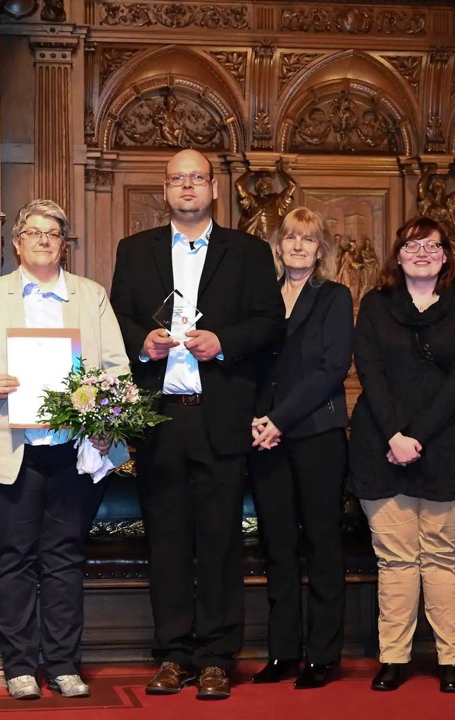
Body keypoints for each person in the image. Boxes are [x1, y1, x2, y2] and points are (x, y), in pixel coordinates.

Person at [110, 148, 284, 700]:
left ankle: (215, 656)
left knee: (219, 543)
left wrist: (223, 343)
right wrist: (143, 341)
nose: (187, 186)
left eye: (197, 178)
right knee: (165, 542)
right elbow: (116, 316)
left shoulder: (251, 253)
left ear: (213, 188)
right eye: (177, 179)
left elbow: (270, 323)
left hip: (221, 419)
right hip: (160, 419)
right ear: (165, 190)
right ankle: (174, 653)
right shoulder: (134, 251)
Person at [0, 200, 130, 701]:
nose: (43, 240)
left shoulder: (91, 296)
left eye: (53, 234)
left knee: (64, 557)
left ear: (64, 244)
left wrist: (106, 421)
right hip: (11, 447)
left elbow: (117, 367)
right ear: (16, 243)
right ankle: (19, 666)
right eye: (33, 232)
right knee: (13, 557)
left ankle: (62, 663)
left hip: (76, 450)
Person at [348, 216, 455, 694]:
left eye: (432, 246)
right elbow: (370, 372)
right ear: (398, 255)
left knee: (445, 557)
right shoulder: (375, 305)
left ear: (447, 255)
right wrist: (396, 435)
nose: (422, 253)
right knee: (397, 560)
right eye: (412, 246)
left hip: (449, 448)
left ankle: (452, 659)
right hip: (381, 448)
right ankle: (393, 658)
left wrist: (417, 436)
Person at [248, 207, 353, 689]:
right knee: (279, 548)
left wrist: (279, 421)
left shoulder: (334, 297)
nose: (297, 246)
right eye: (290, 237)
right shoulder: (261, 297)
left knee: (322, 546)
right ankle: (283, 652)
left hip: (315, 436)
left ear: (320, 249)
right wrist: (257, 422)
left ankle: (323, 655)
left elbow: (330, 371)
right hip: (263, 439)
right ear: (278, 244)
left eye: (307, 239)